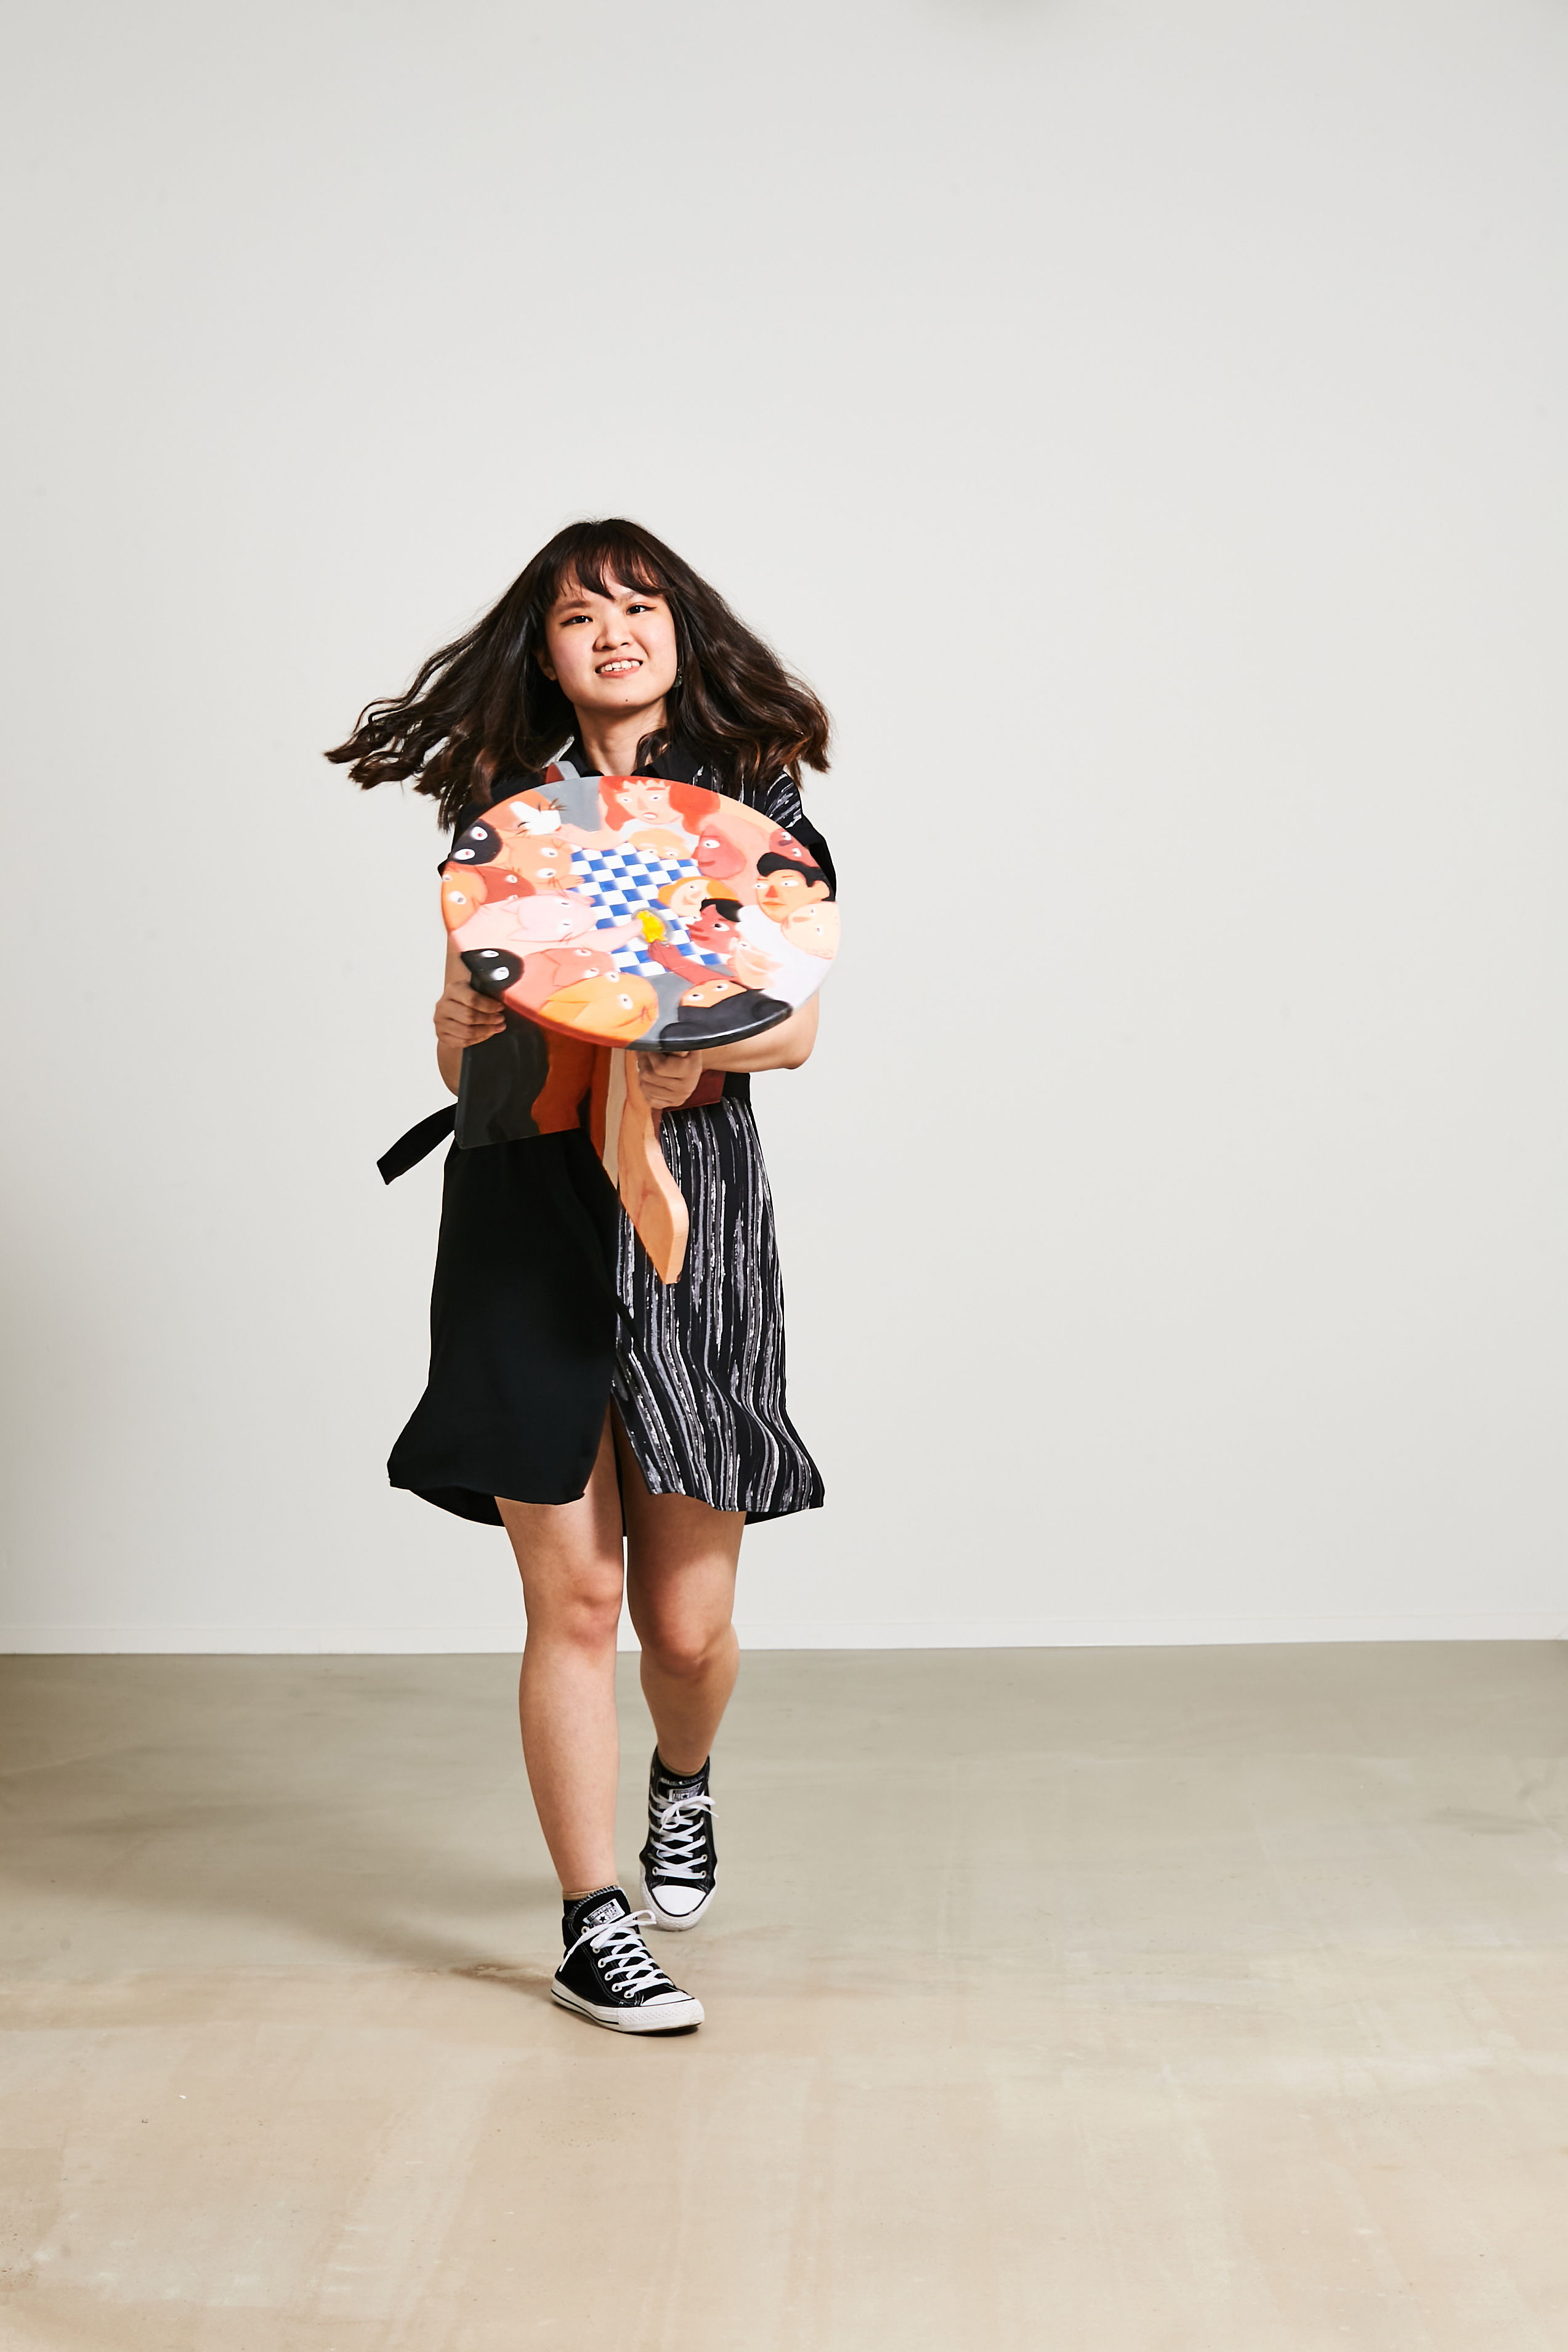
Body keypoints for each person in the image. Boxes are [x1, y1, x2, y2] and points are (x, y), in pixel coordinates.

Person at [326, 520, 835, 2034]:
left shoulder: (754, 802)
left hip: (689, 1206)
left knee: (682, 1625)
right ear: (544, 652)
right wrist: (461, 1038)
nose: (613, 630)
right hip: (521, 1203)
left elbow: (794, 1026)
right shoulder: (506, 815)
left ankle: (684, 1774)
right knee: (577, 1591)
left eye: (639, 604)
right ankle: (590, 1920)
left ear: (683, 629)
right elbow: (463, 1042)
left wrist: (675, 1048)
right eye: (577, 614)